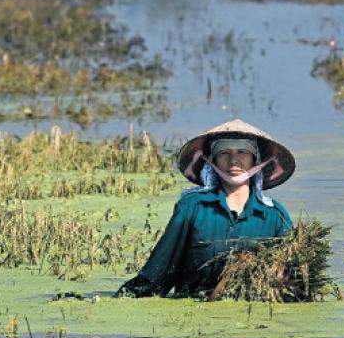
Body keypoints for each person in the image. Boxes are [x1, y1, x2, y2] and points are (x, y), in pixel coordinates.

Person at [117, 119, 296, 298]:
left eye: (242, 152)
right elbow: (160, 270)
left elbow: (293, 282)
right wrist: (126, 298)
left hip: (254, 320)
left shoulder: (275, 217)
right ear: (213, 160)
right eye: (224, 152)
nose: (234, 160)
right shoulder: (191, 207)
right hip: (192, 316)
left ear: (255, 159)